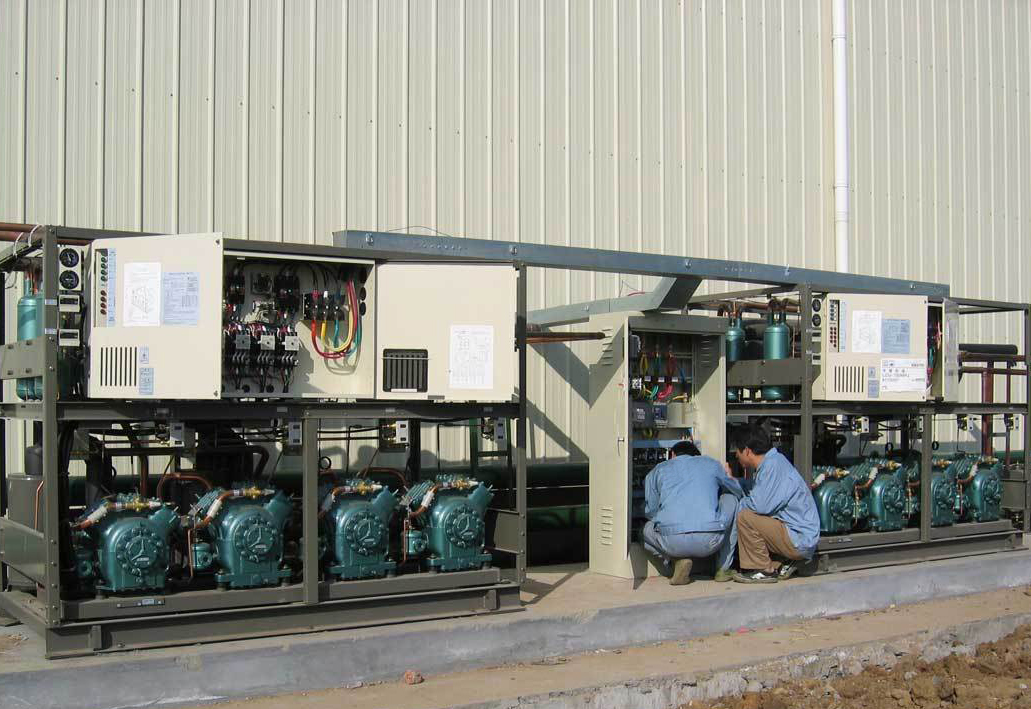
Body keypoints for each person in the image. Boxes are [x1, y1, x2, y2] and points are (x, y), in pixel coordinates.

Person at [642, 440, 744, 585]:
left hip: (671, 543)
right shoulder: (711, 463)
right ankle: (723, 568)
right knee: (731, 498)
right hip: (710, 541)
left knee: (645, 529)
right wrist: (729, 477)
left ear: (672, 454)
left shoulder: (658, 470)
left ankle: (675, 560)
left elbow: (650, 511)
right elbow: (737, 491)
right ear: (697, 455)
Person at [729, 426, 820, 584]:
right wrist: (734, 481)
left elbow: (758, 506)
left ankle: (763, 570)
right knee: (751, 515)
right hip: (799, 536)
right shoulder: (772, 462)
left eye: (737, 450)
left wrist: (734, 504)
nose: (736, 455)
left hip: (798, 539)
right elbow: (754, 488)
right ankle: (783, 562)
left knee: (745, 517)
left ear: (747, 451)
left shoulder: (772, 466)